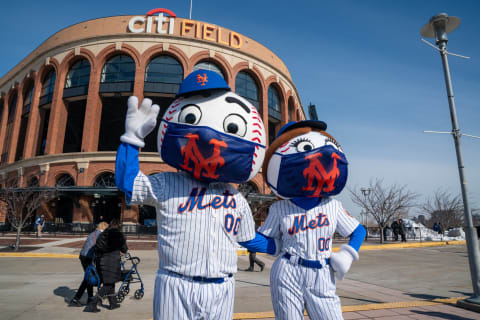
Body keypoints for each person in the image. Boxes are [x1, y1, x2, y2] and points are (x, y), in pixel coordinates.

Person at [115, 69, 267, 320]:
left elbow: (249, 239)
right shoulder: (166, 183)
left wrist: (282, 244)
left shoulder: (237, 198)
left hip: (222, 286)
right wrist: (131, 139)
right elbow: (128, 184)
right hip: (176, 284)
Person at [243, 120, 366, 319]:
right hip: (288, 270)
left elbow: (358, 231)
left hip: (323, 272)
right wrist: (244, 236)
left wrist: (348, 255)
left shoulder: (332, 206)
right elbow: (269, 242)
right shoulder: (279, 208)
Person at [69, 221, 108, 308]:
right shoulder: (101, 235)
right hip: (89, 257)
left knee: (89, 276)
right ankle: (75, 299)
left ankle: (90, 298)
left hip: (83, 256)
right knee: (88, 278)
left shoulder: (93, 233)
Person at [92, 219, 128, 310]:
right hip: (112, 262)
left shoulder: (102, 234)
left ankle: (113, 303)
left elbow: (97, 247)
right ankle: (92, 304)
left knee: (110, 282)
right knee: (108, 284)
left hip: (101, 261)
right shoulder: (119, 235)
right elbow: (124, 249)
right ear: (119, 226)